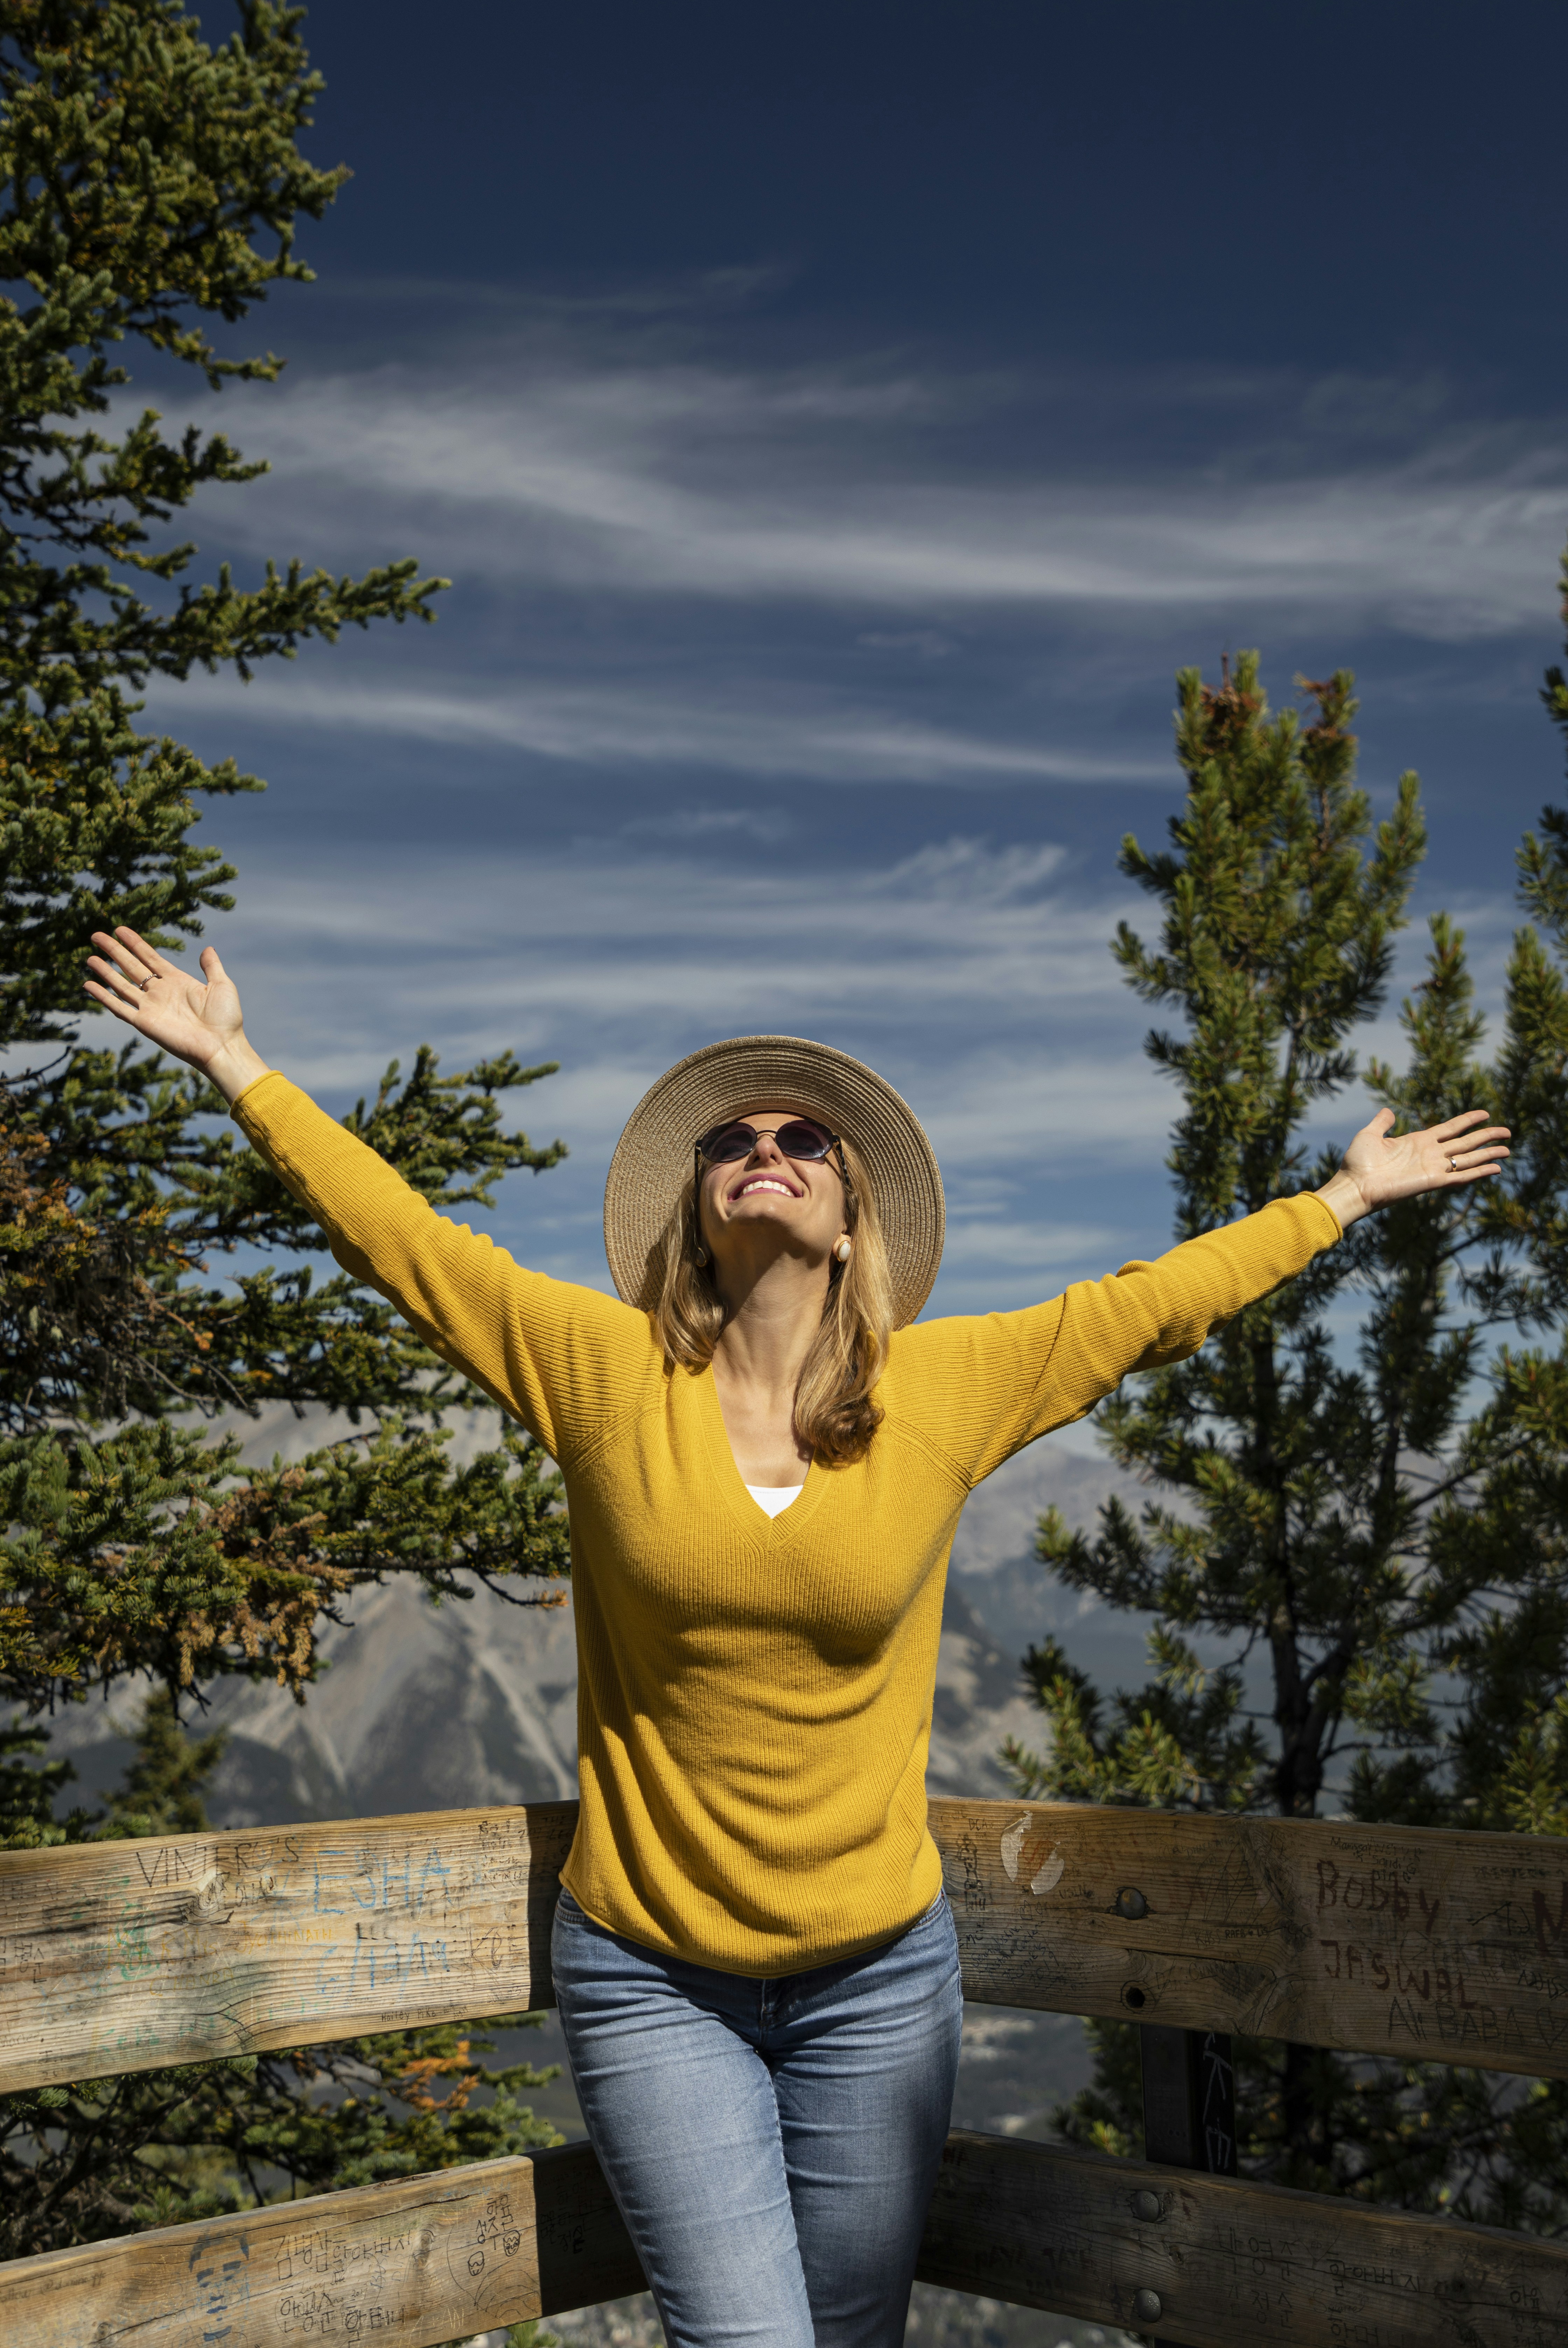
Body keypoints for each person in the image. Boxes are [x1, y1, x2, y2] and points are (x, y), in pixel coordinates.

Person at [84, 924, 1509, 2348]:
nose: (764, 1148)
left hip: (880, 1985)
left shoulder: (944, 1389)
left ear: (848, 1220)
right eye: (731, 1140)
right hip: (653, 1976)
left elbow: (1148, 1309)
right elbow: (406, 1244)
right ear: (699, 1210)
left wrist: (1341, 1198)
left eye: (803, 1138)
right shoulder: (600, 1373)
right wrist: (238, 1063)